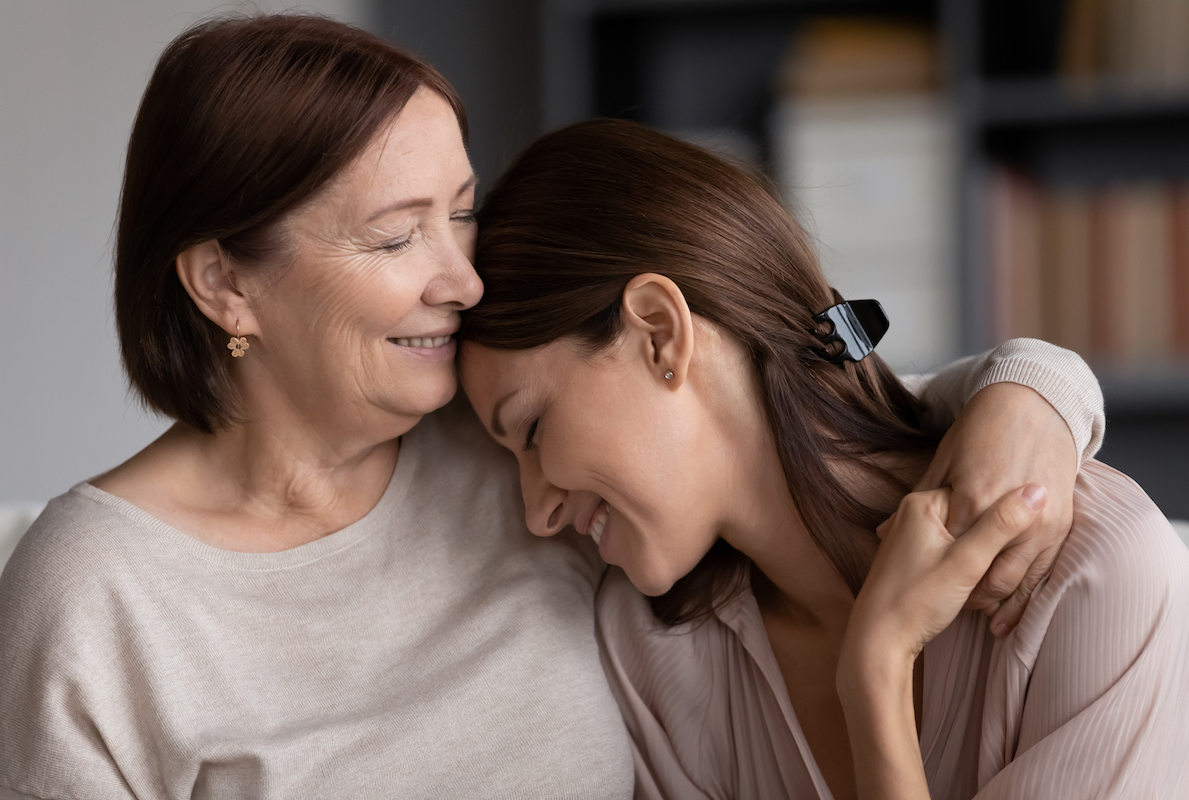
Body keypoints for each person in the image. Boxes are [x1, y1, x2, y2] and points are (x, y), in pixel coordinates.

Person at [0, 13, 1105, 799]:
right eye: (396, 235)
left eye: (460, 213)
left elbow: (795, 407)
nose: (464, 280)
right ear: (225, 283)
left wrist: (1037, 388)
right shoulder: (94, 595)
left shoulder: (506, 447)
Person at [458, 118, 1189, 799]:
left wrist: (875, 674)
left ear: (658, 333)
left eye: (532, 431)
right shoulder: (653, 654)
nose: (536, 512)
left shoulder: (1096, 580)